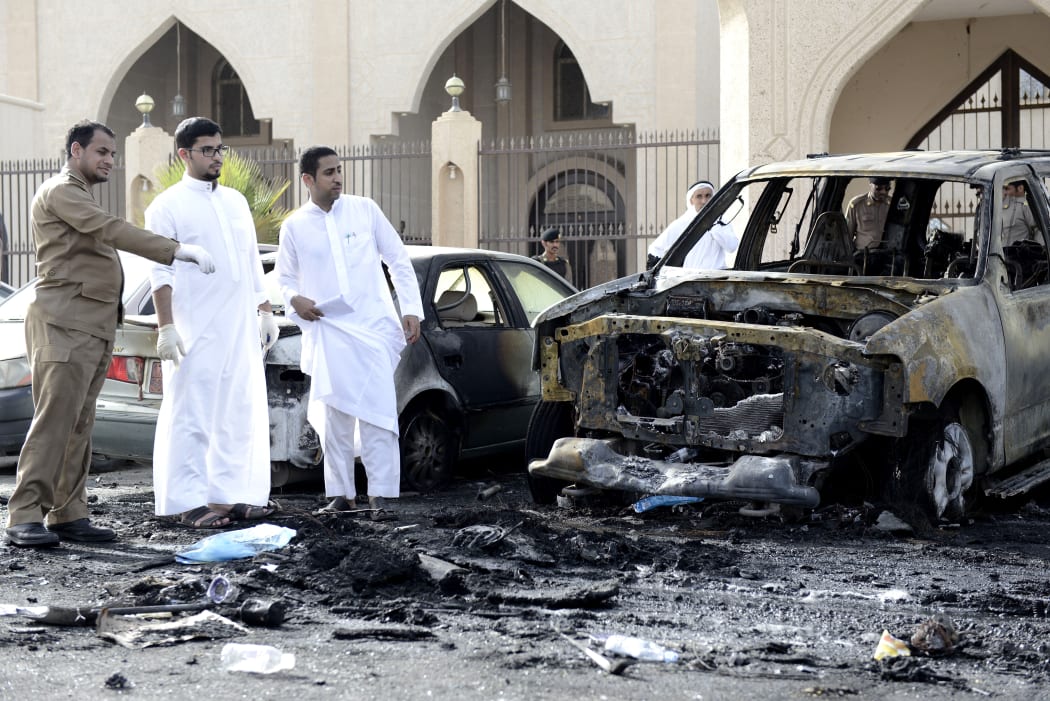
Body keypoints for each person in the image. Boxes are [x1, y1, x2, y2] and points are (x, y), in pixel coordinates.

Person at [4, 120, 215, 548]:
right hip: (63, 324)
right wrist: (174, 249)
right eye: (102, 152)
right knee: (54, 422)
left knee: (79, 425)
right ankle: (24, 515)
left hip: (90, 325)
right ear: (76, 151)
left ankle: (68, 514)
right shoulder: (61, 191)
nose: (109, 161)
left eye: (113, 154)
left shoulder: (80, 195)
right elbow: (110, 228)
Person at [276, 146, 423, 521]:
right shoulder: (295, 226)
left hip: (372, 328)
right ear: (308, 179)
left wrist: (410, 308)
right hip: (328, 330)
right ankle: (342, 495)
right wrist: (294, 299)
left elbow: (398, 259)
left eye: (339, 170)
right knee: (335, 418)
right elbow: (284, 279)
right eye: (329, 172)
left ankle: (382, 495)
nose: (338, 178)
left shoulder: (364, 210)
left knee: (378, 415)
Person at [145, 117, 277, 529]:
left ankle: (228, 496)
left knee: (237, 413)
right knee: (192, 415)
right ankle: (187, 502)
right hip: (194, 327)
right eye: (208, 150)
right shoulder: (165, 206)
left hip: (238, 326)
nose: (217, 157)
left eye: (220, 149)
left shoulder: (235, 201)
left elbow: (251, 260)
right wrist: (167, 327)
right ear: (184, 154)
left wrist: (265, 310)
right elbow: (160, 272)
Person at [648, 180, 738, 270]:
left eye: (708, 196)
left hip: (717, 276)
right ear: (691, 200)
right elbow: (655, 249)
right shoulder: (681, 224)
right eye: (699, 196)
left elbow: (732, 247)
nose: (704, 201)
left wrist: (713, 224)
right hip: (693, 276)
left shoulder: (721, 221)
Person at [845, 177, 892, 250]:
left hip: (888, 253)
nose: (883, 192)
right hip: (863, 253)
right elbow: (847, 235)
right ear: (870, 184)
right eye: (878, 189)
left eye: (887, 188)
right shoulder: (857, 205)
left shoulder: (893, 205)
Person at [1001, 178, 1037, 245]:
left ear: (1020, 188)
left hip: (1019, 250)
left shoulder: (1024, 205)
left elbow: (1036, 229)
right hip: (999, 250)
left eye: (1007, 189)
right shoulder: (1000, 205)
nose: (1005, 192)